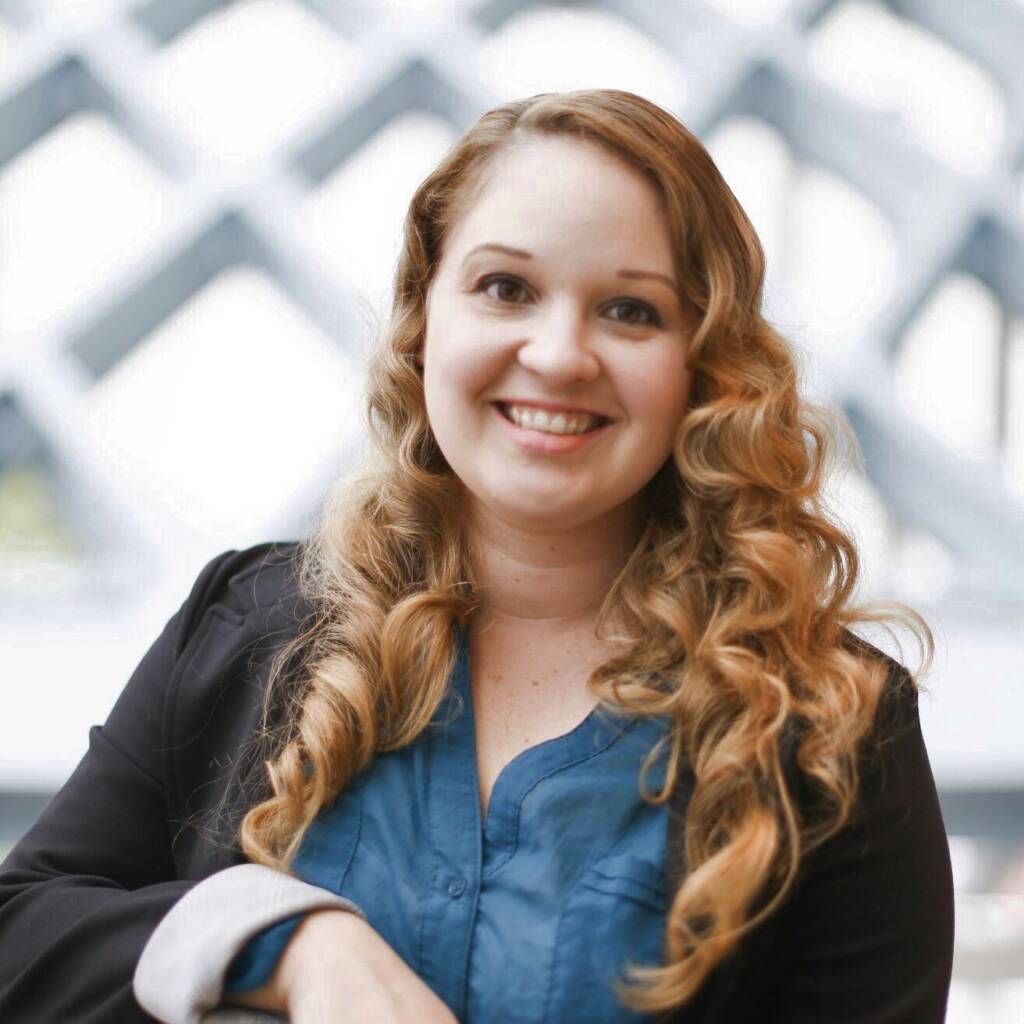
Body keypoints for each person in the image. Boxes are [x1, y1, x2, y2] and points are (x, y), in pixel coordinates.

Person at [0, 89, 954, 1024]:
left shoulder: (834, 725)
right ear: (424, 324)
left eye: (630, 310)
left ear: (702, 369)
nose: (559, 353)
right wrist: (289, 943)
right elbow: (21, 929)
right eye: (507, 289)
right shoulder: (244, 624)